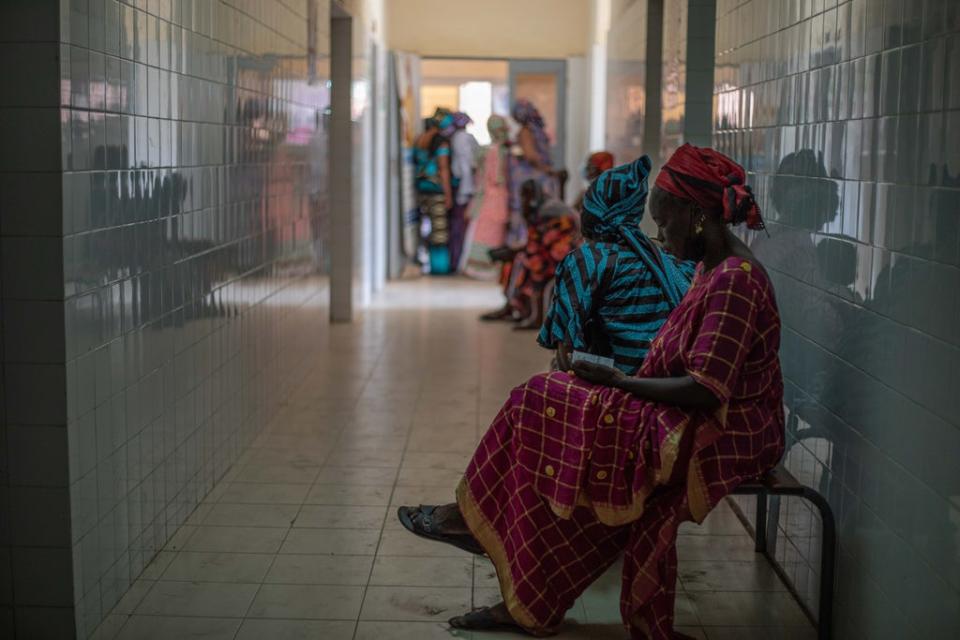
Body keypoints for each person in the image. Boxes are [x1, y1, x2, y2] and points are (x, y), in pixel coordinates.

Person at [398, 144, 784, 640]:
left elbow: (707, 388)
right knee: (540, 409)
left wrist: (620, 383)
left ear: (693, 215)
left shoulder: (735, 280)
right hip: (682, 411)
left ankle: (489, 544)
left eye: (664, 225)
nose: (660, 237)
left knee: (544, 410)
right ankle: (509, 575)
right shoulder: (709, 266)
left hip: (723, 431)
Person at [538, 155, 697, 375]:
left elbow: (566, 355)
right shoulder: (663, 259)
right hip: (663, 379)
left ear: (596, 207)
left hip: (616, 384)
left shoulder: (589, 260)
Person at [480, 180, 577, 325]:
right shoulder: (543, 207)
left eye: (526, 196)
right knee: (517, 261)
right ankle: (514, 306)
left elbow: (543, 243)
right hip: (554, 251)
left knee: (526, 261)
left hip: (563, 254)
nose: (525, 200)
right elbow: (536, 241)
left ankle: (531, 313)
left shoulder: (548, 211)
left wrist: (513, 251)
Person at [462, 115, 512, 279]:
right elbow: (498, 178)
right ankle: (487, 268)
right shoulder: (497, 151)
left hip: (484, 198)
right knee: (492, 233)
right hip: (495, 199)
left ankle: (478, 267)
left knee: (482, 231)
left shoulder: (486, 150)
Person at [507, 98, 557, 244]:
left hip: (531, 176)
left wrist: (545, 169)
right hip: (539, 174)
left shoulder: (526, 131)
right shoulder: (536, 129)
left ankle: (523, 242)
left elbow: (531, 156)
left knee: (526, 209)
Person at [414, 109, 454, 274]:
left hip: (421, 189)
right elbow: (443, 169)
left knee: (423, 229)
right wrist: (448, 194)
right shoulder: (441, 143)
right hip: (436, 191)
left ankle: (426, 262)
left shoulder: (419, 140)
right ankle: (439, 267)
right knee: (439, 231)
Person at [445, 111, 479, 272]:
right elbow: (467, 164)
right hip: (463, 188)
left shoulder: (455, 138)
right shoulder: (463, 138)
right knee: (460, 226)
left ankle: (455, 261)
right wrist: (468, 189)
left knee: (456, 225)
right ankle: (456, 262)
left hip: (460, 186)